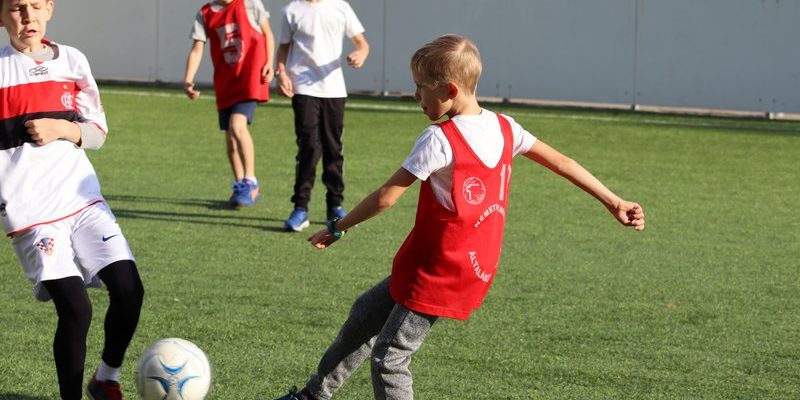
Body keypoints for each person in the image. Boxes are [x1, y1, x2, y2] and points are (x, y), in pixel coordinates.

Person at [275, 34, 646, 400]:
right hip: (455, 260)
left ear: (450, 89)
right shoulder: (506, 127)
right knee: (365, 315)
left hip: (440, 267)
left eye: (421, 87)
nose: (416, 96)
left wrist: (338, 227)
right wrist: (613, 200)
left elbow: (387, 198)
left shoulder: (439, 139)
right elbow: (562, 162)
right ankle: (312, 395)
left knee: (389, 358)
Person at [0, 0, 145, 399]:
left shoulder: (73, 61)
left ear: (50, 8)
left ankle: (106, 378)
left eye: (35, 5)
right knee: (77, 310)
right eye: (15, 8)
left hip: (83, 201)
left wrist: (61, 128)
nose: (27, 16)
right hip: (32, 214)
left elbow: (96, 132)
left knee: (129, 290)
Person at [276, 0, 370, 231]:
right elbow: (283, 48)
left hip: (333, 89)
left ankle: (335, 206)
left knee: (333, 148)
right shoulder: (291, 10)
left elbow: (362, 43)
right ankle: (300, 208)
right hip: (302, 86)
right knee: (308, 146)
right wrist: (281, 73)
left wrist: (361, 53)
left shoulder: (341, 7)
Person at [183, 0, 275, 208]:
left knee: (237, 125)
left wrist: (269, 63)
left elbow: (267, 33)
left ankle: (251, 181)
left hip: (250, 79)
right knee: (230, 139)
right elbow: (197, 49)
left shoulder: (250, 4)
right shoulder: (205, 13)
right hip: (225, 82)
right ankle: (240, 184)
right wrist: (188, 79)